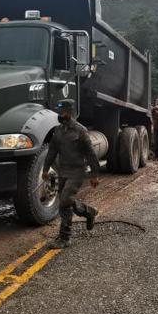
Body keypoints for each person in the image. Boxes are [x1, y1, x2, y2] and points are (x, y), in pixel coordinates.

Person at [41, 99, 99, 249]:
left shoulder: (81, 131)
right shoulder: (58, 130)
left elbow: (91, 154)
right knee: (65, 204)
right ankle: (89, 212)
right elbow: (52, 151)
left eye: (63, 111)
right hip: (63, 171)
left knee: (65, 199)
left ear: (69, 112)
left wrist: (94, 175)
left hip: (77, 172)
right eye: (59, 111)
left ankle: (65, 238)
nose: (60, 114)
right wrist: (46, 169)